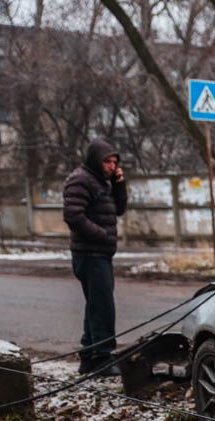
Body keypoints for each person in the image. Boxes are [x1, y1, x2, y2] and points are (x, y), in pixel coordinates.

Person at [63, 139, 127, 376]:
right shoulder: (81, 180)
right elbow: (72, 215)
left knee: (96, 306)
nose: (112, 166)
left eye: (114, 162)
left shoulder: (102, 182)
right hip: (89, 254)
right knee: (103, 307)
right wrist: (102, 235)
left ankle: (88, 358)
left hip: (100, 253)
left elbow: (119, 209)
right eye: (107, 162)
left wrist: (119, 185)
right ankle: (102, 358)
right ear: (95, 160)